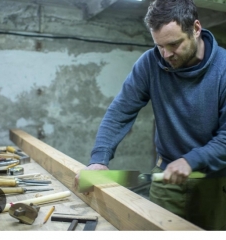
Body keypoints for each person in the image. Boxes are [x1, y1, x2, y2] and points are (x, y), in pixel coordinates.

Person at [75, 0, 226, 230]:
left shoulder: (223, 69)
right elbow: (119, 112)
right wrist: (99, 159)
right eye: (159, 45)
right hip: (166, 175)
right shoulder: (149, 62)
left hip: (215, 180)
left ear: (195, 29)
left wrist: (191, 160)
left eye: (174, 44)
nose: (165, 54)